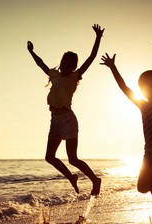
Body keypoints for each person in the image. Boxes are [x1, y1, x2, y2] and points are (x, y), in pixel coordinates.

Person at [100, 33, 152, 224]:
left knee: (151, 186)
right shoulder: (142, 105)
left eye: (151, 84)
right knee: (142, 187)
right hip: (149, 152)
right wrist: (113, 67)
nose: (146, 88)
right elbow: (124, 88)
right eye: (144, 86)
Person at [27, 24, 104, 196]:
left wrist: (98, 37)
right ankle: (71, 177)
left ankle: (95, 180)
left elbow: (91, 58)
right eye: (65, 62)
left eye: (71, 64)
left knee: (73, 158)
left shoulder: (75, 76)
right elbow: (40, 64)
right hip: (55, 120)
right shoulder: (54, 74)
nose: (67, 66)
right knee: (49, 157)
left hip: (68, 120)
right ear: (61, 62)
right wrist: (32, 52)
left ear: (74, 66)